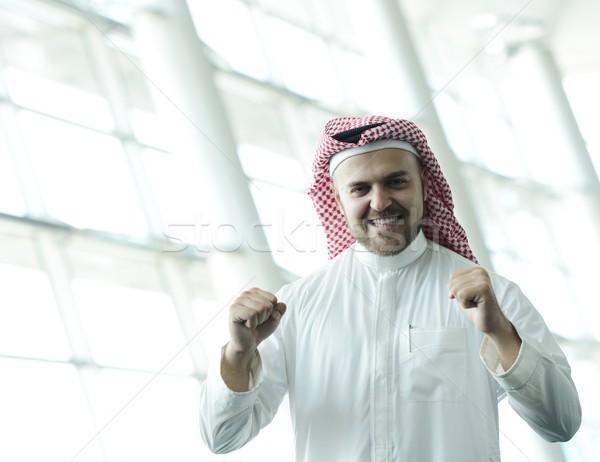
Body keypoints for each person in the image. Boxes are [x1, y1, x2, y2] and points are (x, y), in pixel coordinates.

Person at [199, 115, 581, 461]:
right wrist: (238, 352)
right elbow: (222, 437)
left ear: (424, 185)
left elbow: (560, 424)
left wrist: (499, 331)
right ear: (338, 199)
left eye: (395, 181)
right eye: (360, 188)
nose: (380, 202)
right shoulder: (296, 305)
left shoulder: (495, 297)